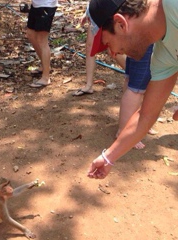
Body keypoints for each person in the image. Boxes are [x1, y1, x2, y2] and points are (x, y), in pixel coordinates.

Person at [87, 0, 178, 179]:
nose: (113, 54)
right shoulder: (164, 56)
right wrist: (108, 156)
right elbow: (146, 115)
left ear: (121, 24)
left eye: (108, 44)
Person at [73, 7, 155, 149]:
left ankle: (130, 125)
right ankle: (125, 131)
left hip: (134, 30)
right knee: (137, 88)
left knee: (132, 82)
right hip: (139, 33)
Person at [27, 0, 58, 88]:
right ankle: (44, 66)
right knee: (31, 34)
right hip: (36, 5)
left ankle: (45, 78)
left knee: (42, 40)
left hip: (46, 6)